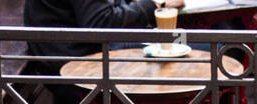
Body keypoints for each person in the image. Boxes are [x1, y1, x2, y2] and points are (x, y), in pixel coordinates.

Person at [24, 0, 185, 69]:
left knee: (186, 41)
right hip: (78, 60)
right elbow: (101, 23)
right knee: (202, 50)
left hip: (78, 49)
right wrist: (153, 4)